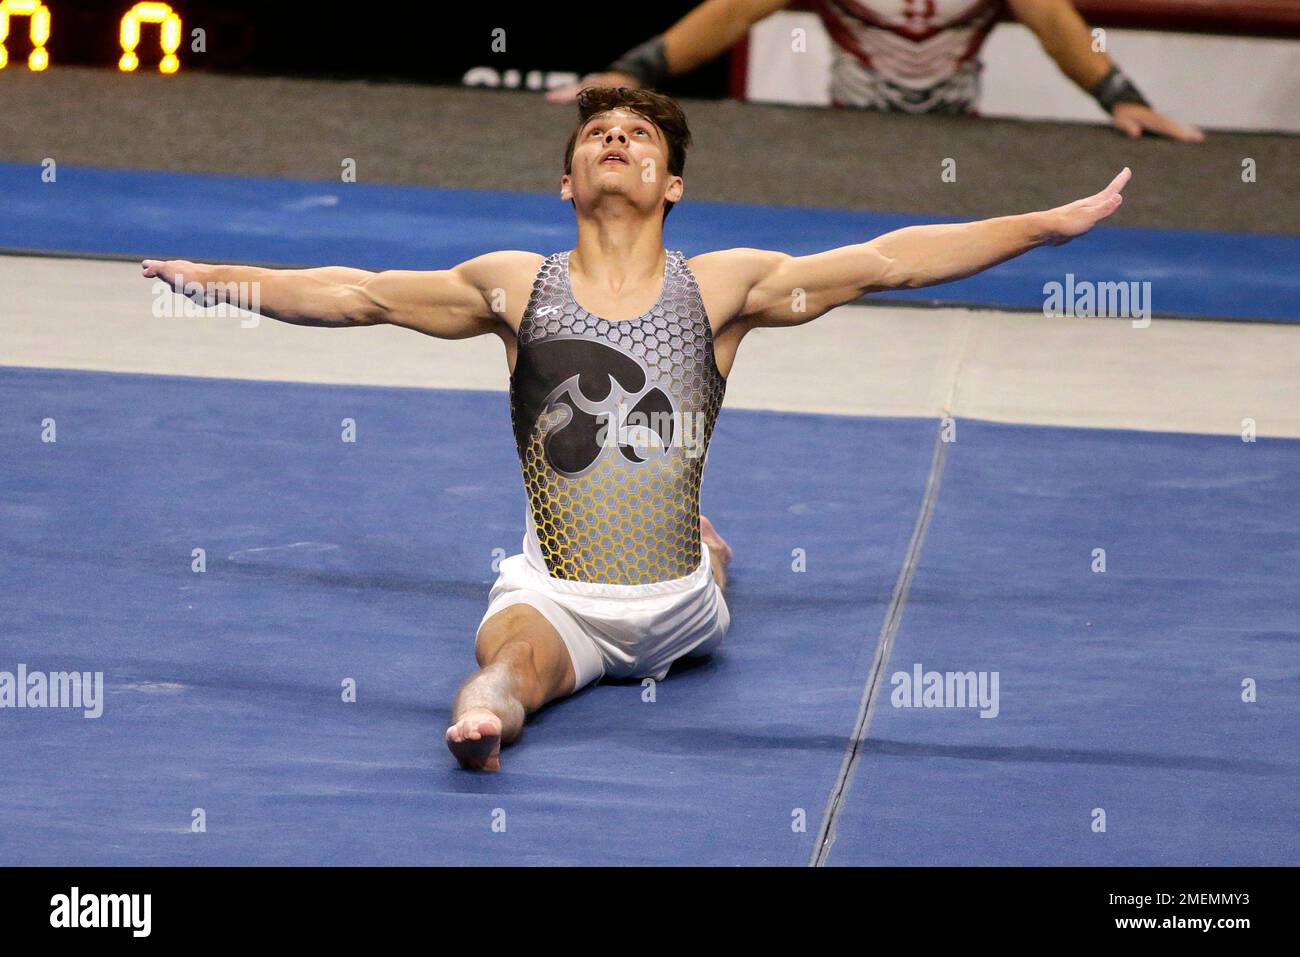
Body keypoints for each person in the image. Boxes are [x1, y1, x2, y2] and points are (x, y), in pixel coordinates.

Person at [141, 86, 1131, 771]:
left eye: (640, 137)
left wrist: (1042, 228)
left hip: (684, 607)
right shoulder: (513, 285)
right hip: (559, 599)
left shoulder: (725, 289)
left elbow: (889, 260)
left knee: (704, 570)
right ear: (567, 183)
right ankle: (483, 727)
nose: (617, 140)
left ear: (672, 186)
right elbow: (354, 294)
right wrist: (217, 284)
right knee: (502, 670)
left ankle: (710, 554)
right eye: (597, 135)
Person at [548, 0, 1204, 142]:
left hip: (957, 136)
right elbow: (727, 15)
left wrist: (1120, 96)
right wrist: (629, 74)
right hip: (850, 139)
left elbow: (1057, 26)